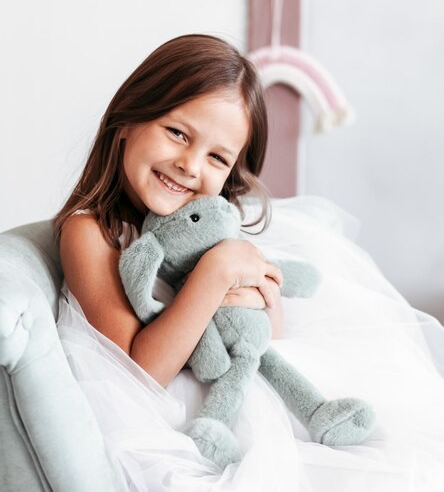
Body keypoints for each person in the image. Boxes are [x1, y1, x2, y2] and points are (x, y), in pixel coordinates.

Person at [54, 34, 444, 491]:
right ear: (128, 121)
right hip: (181, 420)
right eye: (178, 133)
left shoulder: (212, 224)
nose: (190, 165)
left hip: (247, 390)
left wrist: (260, 296)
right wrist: (215, 274)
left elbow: (265, 332)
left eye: (217, 157)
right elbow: (139, 373)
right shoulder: (92, 232)